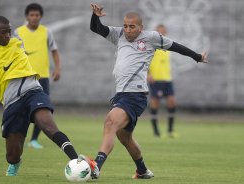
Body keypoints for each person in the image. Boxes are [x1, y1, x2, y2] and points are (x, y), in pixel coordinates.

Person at [82, 3, 207, 180]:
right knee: (125, 138)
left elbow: (176, 46)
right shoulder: (119, 34)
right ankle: (142, 170)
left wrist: (197, 57)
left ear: (141, 27)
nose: (128, 30)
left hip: (135, 95)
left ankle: (96, 166)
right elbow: (96, 28)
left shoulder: (151, 37)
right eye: (125, 26)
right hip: (121, 94)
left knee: (110, 122)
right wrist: (95, 16)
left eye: (132, 26)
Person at [0, 16, 78, 176]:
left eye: (9, 31)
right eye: (4, 32)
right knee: (12, 155)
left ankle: (78, 161)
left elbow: (32, 28)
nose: (8, 35)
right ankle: (15, 163)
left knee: (48, 126)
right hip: (12, 103)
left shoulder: (18, 42)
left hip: (33, 92)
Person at [14, 3, 61, 149]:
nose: (34, 18)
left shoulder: (46, 32)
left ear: (41, 16)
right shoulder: (18, 32)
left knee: (43, 108)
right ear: (27, 16)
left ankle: (34, 140)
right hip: (23, 77)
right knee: (22, 109)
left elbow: (54, 50)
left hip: (42, 77)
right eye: (31, 15)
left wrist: (58, 68)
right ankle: (18, 136)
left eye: (37, 15)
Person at [147, 24, 177, 138]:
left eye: (163, 32)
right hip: (156, 79)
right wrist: (148, 74)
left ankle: (170, 130)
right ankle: (156, 132)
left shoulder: (167, 46)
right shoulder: (152, 46)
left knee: (172, 102)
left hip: (167, 79)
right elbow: (145, 60)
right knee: (155, 103)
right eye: (159, 32)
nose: (161, 34)